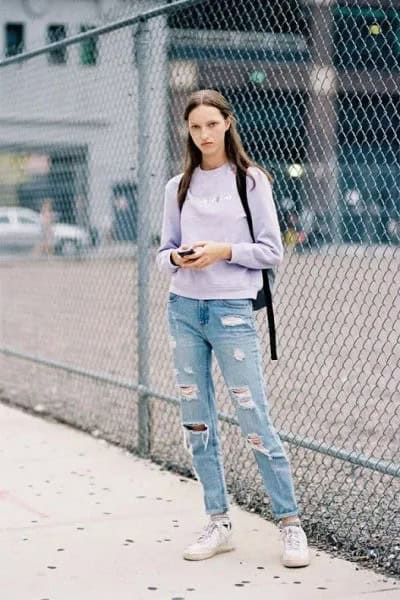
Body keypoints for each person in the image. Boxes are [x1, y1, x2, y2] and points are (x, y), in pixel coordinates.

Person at [156, 89, 310, 568]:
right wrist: (178, 257)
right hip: (183, 308)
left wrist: (222, 250)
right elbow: (162, 254)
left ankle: (290, 524)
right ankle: (218, 522)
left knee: (254, 419)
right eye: (195, 127)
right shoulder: (177, 185)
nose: (203, 134)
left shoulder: (251, 181)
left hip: (230, 313)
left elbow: (272, 252)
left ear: (227, 123)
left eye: (211, 124)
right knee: (197, 422)